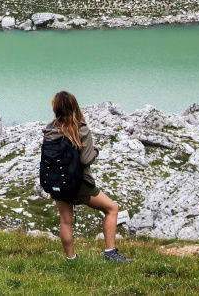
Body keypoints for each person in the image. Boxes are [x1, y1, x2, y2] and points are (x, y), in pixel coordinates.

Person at [43, 91, 133, 263]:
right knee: (111, 209)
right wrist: (95, 151)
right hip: (79, 183)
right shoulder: (81, 128)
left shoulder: (49, 129)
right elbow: (85, 159)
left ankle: (71, 259)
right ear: (74, 106)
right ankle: (110, 253)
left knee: (66, 221)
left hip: (56, 182)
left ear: (55, 107)